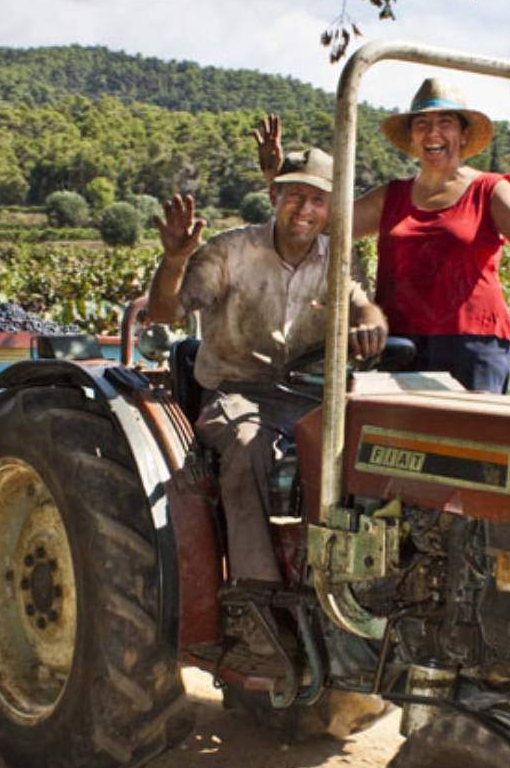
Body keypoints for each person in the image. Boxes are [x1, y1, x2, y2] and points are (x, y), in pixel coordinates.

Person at [148, 147, 388, 587]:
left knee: (377, 445)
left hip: (310, 396)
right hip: (238, 391)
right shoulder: (230, 251)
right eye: (296, 196)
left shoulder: (339, 257)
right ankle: (257, 595)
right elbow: (166, 311)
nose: (306, 209)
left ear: (331, 209)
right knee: (246, 445)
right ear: (275, 195)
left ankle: (351, 584)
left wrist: (371, 325)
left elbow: (363, 305)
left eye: (318, 200)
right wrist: (176, 260)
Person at [254, 80, 510, 393]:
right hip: (400, 345)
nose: (433, 132)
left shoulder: (489, 189)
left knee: (467, 439)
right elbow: (323, 225)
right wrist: (280, 182)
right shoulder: (391, 196)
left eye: (445, 122)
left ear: (463, 135)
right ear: (413, 137)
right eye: (422, 124)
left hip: (471, 344)